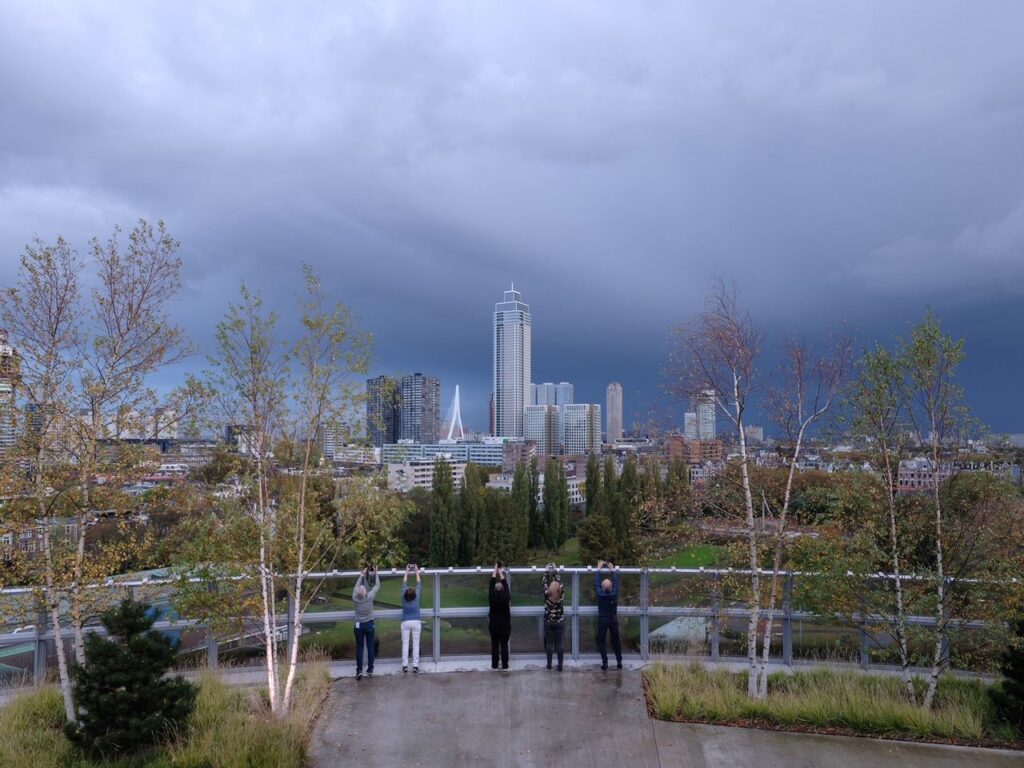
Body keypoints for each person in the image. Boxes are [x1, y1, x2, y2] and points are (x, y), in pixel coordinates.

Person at [352, 567, 381, 680]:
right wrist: (376, 573)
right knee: (370, 647)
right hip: (369, 625)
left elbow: (356, 587)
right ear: (365, 593)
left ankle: (359, 670)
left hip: (359, 625)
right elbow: (377, 586)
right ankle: (370, 669)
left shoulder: (355, 598)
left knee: (359, 647)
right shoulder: (369, 597)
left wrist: (362, 575)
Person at [594, 559, 622, 670]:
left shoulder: (600, 594)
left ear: (602, 587)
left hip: (603, 619)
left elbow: (596, 583)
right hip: (613, 619)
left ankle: (605, 662)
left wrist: (598, 569)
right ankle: (619, 661)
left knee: (602, 640)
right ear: (611, 588)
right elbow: (616, 583)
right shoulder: (614, 593)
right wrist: (612, 570)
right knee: (616, 640)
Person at [488, 562, 511, 670]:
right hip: (505, 625)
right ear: (503, 590)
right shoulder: (506, 597)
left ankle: (494, 665)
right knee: (504, 645)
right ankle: (505, 665)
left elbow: (491, 584)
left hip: (494, 625)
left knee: (495, 645)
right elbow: (505, 584)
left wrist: (495, 571)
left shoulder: (492, 598)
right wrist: (500, 572)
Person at [542, 563, 565, 671]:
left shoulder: (547, 595)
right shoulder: (561, 597)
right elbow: (560, 584)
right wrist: (556, 571)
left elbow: (544, 583)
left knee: (549, 643)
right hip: (559, 621)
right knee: (559, 643)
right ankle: (560, 665)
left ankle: (549, 664)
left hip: (548, 621)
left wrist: (547, 571)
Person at [401, 563, 422, 673]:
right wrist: (416, 570)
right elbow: (419, 583)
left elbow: (404, 583)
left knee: (405, 643)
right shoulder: (416, 597)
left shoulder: (403, 597)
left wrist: (407, 571)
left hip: (405, 622)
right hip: (416, 622)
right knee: (416, 643)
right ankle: (415, 665)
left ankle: (404, 665)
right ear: (414, 594)